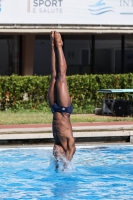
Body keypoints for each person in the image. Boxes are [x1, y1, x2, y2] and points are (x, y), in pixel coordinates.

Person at [48, 31, 76, 167]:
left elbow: (56, 162)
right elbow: (73, 150)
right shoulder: (69, 146)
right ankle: (59, 45)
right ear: (64, 154)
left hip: (54, 108)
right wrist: (66, 164)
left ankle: (52, 45)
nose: (54, 152)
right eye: (56, 153)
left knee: (53, 76)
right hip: (64, 110)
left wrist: (57, 165)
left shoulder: (57, 142)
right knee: (61, 78)